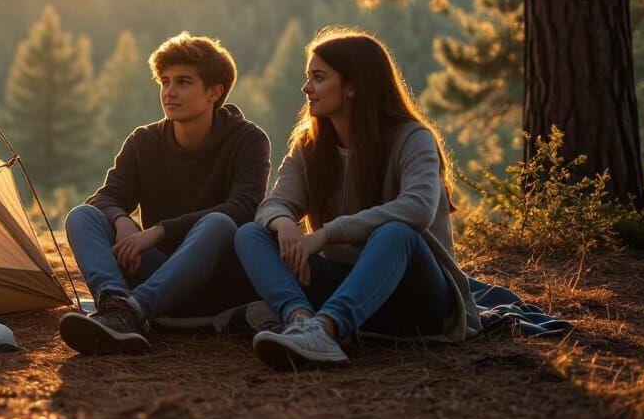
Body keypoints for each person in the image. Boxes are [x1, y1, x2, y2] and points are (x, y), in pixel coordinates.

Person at [234, 27, 480, 369]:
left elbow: (418, 209)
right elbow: (274, 203)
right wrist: (283, 222)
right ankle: (301, 321)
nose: (307, 88)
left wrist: (327, 233)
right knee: (250, 234)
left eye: (318, 78)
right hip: (345, 284)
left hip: (418, 296)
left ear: (353, 86)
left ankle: (326, 328)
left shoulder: (413, 139)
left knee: (397, 232)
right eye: (308, 78)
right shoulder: (310, 146)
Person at [58, 32, 271, 354]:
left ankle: (134, 311)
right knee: (83, 215)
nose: (169, 92)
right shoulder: (145, 141)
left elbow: (242, 208)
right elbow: (105, 197)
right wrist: (121, 220)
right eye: (165, 81)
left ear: (215, 92)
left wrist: (159, 231)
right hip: (157, 274)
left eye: (183, 82)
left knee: (219, 223)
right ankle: (116, 306)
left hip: (218, 280)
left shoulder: (248, 139)